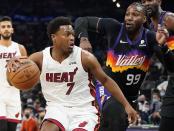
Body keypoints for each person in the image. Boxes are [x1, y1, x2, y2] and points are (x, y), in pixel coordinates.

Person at [6, 16, 137, 131]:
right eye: (67, 34)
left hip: (83, 110)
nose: (72, 38)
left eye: (72, 34)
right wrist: (12, 67)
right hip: (56, 108)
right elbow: (12, 80)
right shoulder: (39, 58)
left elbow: (106, 81)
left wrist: (127, 105)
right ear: (54, 38)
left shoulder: (85, 57)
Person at [74, 2, 174, 131]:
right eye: (127, 14)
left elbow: (171, 67)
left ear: (144, 19)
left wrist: (163, 46)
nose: (129, 17)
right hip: (107, 86)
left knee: (112, 125)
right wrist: (83, 39)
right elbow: (82, 20)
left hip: (130, 96)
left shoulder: (150, 37)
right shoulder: (114, 27)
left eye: (135, 14)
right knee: (116, 114)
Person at [141, 0, 174, 130]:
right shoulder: (148, 27)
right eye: (143, 1)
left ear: (159, 1)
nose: (146, 4)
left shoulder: (169, 19)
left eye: (149, 0)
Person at [0, 16, 27, 131]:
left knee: (11, 129)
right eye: (3, 27)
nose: (6, 29)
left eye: (8, 26)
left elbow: (27, 72)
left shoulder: (20, 48)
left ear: (12, 29)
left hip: (14, 94)